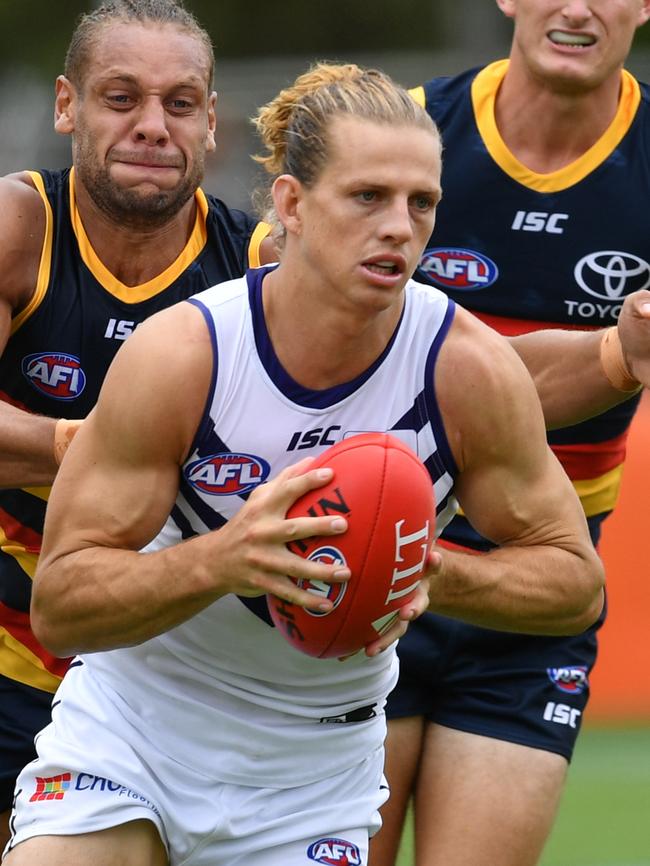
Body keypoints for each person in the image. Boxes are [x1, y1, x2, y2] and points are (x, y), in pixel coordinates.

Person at [2, 61, 606, 866]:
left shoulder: (466, 368)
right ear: (291, 204)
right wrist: (223, 558)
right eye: (367, 197)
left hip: (312, 775)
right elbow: (64, 604)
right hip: (136, 736)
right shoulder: (188, 353)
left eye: (420, 203)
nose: (399, 226)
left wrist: (428, 571)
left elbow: (576, 583)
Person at [373, 2, 650, 865]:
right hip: (369, 576)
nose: (576, 8)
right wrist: (617, 352)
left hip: (540, 596)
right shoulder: (404, 135)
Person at [0, 0, 275, 851]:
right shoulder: (20, 227)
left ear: (211, 121)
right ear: (67, 106)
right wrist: (82, 445)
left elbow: (426, 366)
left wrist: (610, 353)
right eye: (122, 98)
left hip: (169, 672)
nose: (152, 126)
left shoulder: (261, 265)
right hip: (10, 653)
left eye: (180, 103)